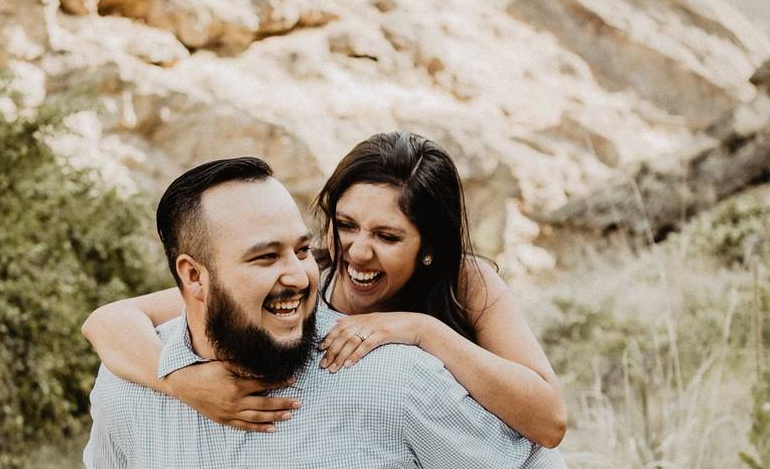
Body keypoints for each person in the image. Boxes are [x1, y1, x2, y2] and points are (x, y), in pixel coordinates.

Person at [83, 131, 566, 446]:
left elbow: (549, 422)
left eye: (387, 236)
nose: (357, 251)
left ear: (428, 247)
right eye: (346, 225)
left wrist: (424, 331)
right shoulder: (305, 272)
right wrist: (183, 383)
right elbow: (108, 321)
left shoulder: (466, 283)